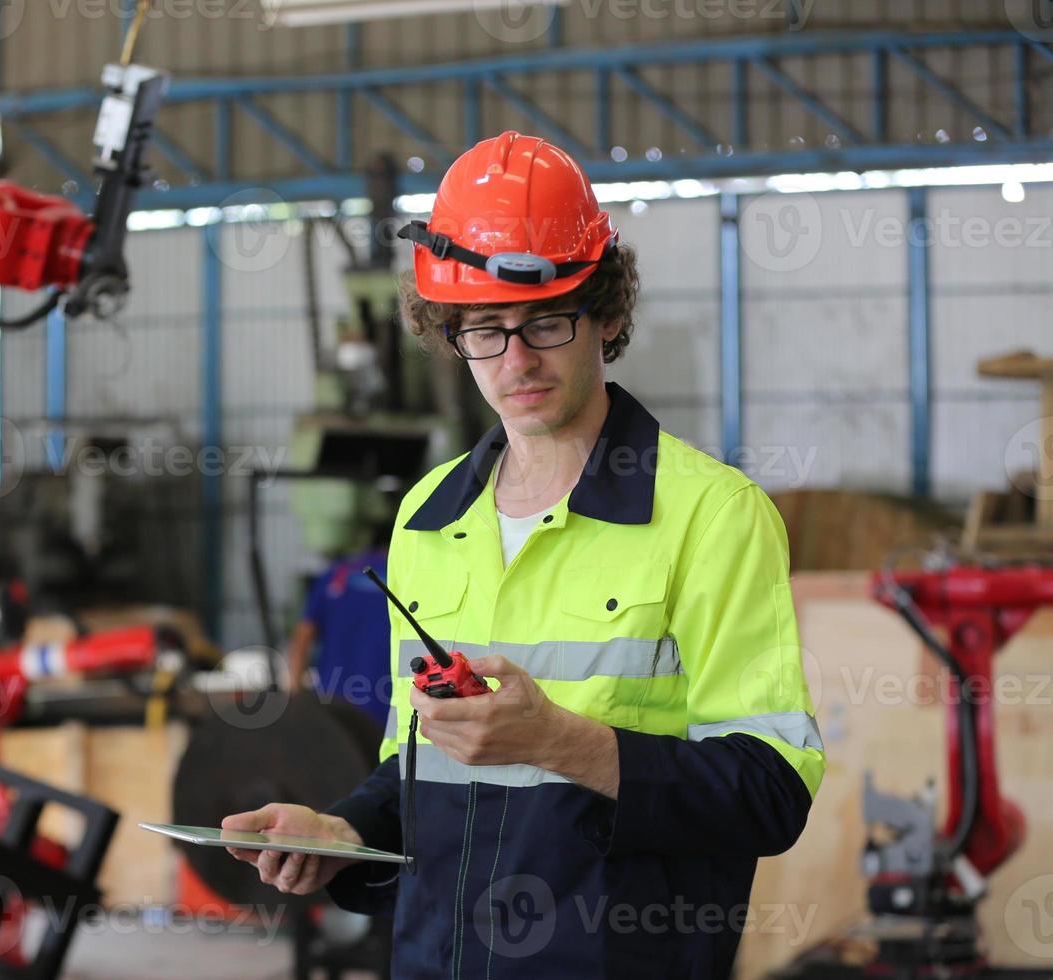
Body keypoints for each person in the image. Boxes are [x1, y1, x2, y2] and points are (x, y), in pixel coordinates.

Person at [222, 131, 825, 978]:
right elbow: (418, 765)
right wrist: (347, 832)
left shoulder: (711, 516)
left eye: (545, 320)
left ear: (607, 313)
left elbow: (769, 793)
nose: (517, 360)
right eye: (484, 329)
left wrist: (558, 741)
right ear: (449, 332)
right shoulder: (427, 519)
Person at [286, 545, 393, 730]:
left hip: (334, 697)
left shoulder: (336, 575)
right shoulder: (408, 577)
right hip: (388, 699)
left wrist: (295, 692)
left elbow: (303, 635)